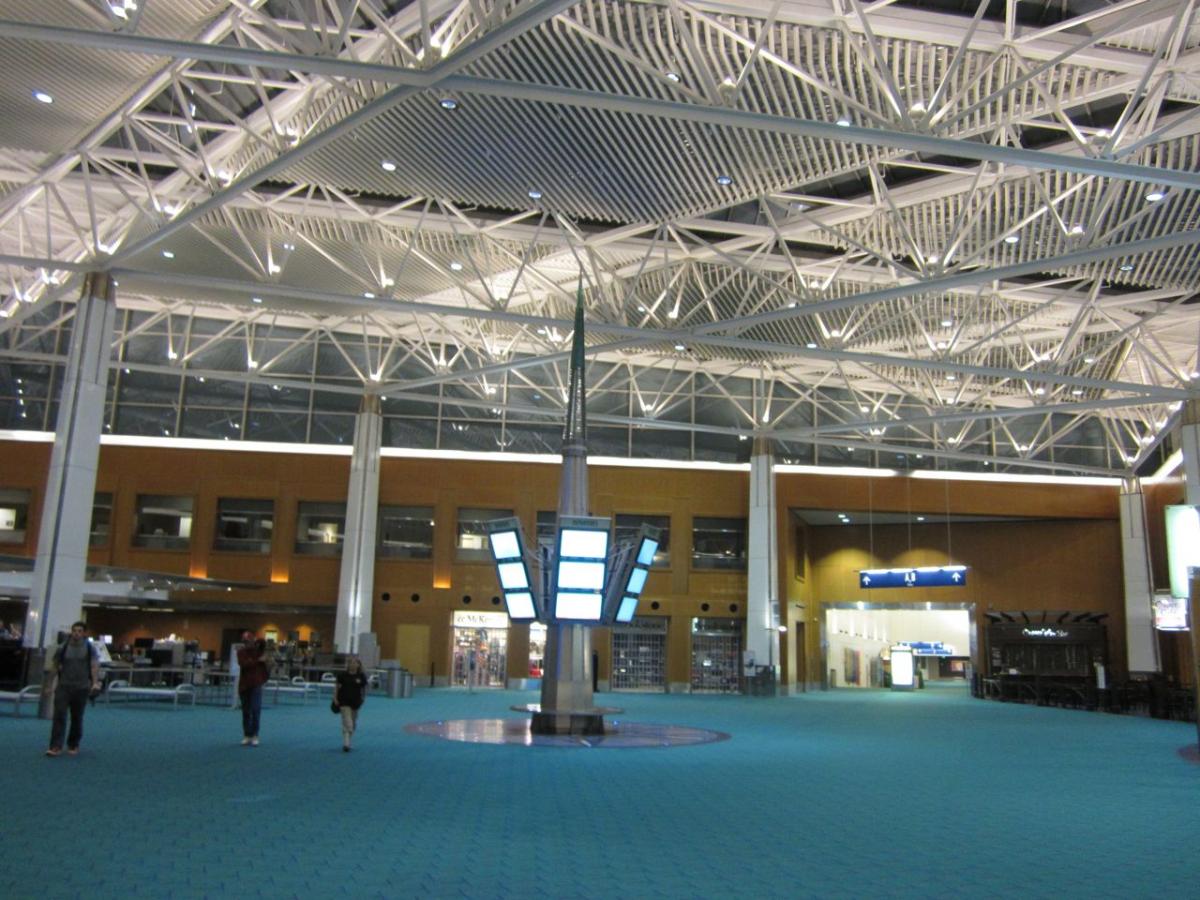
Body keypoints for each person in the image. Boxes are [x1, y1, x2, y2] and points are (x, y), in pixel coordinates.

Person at [46, 621, 101, 757]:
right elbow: (55, 666)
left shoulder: (89, 648)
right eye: (74, 631)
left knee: (77, 717)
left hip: (81, 687)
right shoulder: (63, 648)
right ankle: (55, 746)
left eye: (79, 631)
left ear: (84, 633)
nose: (76, 633)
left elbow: (94, 666)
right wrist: (49, 685)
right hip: (63, 686)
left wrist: (95, 683)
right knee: (59, 715)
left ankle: (73, 744)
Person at [236, 631, 269, 747]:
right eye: (244, 641)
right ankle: (247, 735)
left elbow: (263, 643)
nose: (246, 643)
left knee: (255, 709)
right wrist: (258, 661)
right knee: (246, 711)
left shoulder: (258, 651)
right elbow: (244, 664)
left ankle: (255, 735)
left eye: (248, 641)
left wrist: (257, 641)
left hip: (256, 684)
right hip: (244, 685)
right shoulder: (240, 652)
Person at [333, 656, 368, 752]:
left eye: (355, 663)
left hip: (356, 702)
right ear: (348, 665)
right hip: (344, 701)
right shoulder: (342, 676)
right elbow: (336, 687)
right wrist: (335, 698)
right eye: (351, 663)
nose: (353, 664)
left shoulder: (361, 676)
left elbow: (364, 688)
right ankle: (346, 744)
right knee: (347, 722)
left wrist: (364, 698)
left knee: (353, 722)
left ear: (358, 665)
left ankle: (348, 740)